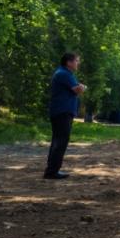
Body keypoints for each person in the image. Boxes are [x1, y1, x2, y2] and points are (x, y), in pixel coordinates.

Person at [44, 52, 86, 180]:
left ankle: (51, 170)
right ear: (69, 62)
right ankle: (52, 172)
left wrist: (80, 87)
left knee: (58, 141)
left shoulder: (64, 73)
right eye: (76, 61)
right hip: (62, 112)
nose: (78, 63)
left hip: (60, 112)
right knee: (61, 141)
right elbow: (77, 89)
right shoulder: (64, 74)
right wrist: (83, 87)